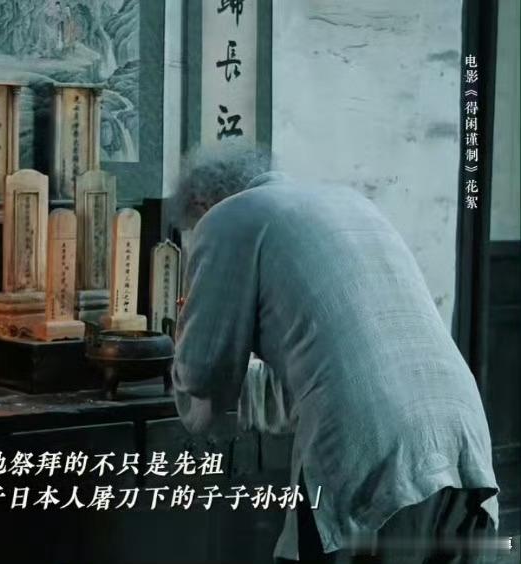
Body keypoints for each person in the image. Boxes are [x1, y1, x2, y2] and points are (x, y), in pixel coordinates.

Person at [170, 144, 500, 563]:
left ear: (201, 204)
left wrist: (178, 345)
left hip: (369, 443)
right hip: (462, 431)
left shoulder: (225, 219)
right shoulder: (351, 202)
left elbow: (202, 369)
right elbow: (336, 344)